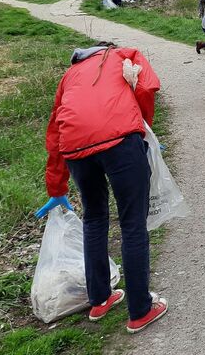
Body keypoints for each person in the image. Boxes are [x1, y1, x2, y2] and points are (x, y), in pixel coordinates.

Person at [35, 42, 168, 333]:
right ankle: (140, 310)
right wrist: (145, 130)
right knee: (132, 223)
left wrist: (56, 187)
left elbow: (55, 128)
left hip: (75, 151)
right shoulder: (125, 54)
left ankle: (99, 300)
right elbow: (146, 88)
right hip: (121, 142)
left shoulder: (69, 76)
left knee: (94, 218)